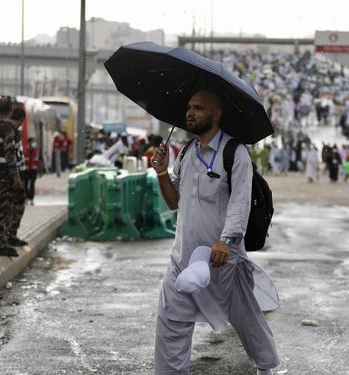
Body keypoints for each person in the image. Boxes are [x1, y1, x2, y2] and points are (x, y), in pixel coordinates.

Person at [150, 89, 279, 375]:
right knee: (170, 320)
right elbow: (174, 202)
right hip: (183, 259)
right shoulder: (185, 152)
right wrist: (160, 172)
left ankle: (267, 367)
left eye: (198, 108)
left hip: (221, 259)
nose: (190, 113)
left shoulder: (235, 154)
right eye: (189, 107)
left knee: (246, 318)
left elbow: (240, 203)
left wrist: (227, 241)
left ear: (216, 114)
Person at [0, 96, 21, 258]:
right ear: (11, 110)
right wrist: (16, 177)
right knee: (3, 211)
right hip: (2, 175)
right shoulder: (8, 129)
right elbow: (10, 155)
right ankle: (1, 246)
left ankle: (0, 243)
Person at [5, 107, 28, 247]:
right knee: (15, 207)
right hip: (14, 176)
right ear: (21, 120)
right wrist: (16, 178)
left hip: (18, 174)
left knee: (15, 206)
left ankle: (11, 235)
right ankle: (10, 236)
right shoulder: (11, 132)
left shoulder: (13, 132)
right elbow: (11, 157)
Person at [23, 137, 40, 205]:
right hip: (26, 170)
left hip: (34, 170)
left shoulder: (36, 151)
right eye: (32, 142)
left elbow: (38, 161)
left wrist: (40, 170)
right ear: (29, 143)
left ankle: (31, 198)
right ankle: (26, 197)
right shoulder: (25, 151)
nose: (33, 144)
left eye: (34, 142)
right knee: (26, 184)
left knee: (32, 184)